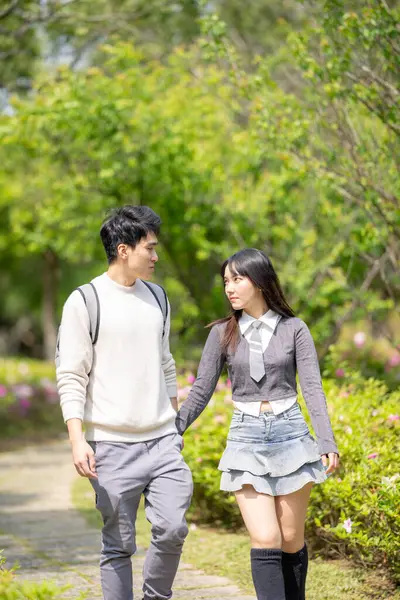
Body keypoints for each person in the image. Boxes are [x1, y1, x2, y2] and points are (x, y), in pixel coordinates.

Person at [176, 248, 339, 600]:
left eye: (237, 279)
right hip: (245, 437)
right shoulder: (221, 333)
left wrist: (326, 441)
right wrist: (171, 430)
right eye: (225, 281)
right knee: (266, 538)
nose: (229, 288)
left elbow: (312, 388)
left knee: (291, 538)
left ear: (260, 282)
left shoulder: (295, 329)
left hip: (292, 434)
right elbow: (201, 390)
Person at [56, 205, 193, 600]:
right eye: (149, 248)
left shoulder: (158, 298)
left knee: (172, 529)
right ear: (122, 250)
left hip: (163, 442)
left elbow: (166, 364)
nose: (155, 256)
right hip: (110, 446)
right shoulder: (85, 301)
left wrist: (173, 420)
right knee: (118, 545)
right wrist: (77, 440)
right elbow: (71, 375)